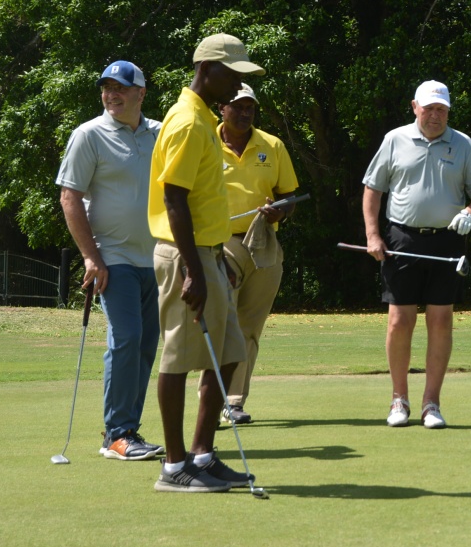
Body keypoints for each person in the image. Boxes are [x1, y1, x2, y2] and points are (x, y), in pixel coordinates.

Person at [147, 34, 264, 493]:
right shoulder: (187, 122)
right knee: (178, 358)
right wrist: (195, 270)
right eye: (232, 73)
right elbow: (173, 197)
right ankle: (174, 468)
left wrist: (213, 260)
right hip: (183, 255)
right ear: (208, 69)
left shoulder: (198, 117)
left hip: (207, 253)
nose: (237, 84)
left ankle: (203, 455)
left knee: (229, 353)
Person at [361, 80, 471, 429]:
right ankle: (398, 400)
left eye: (442, 110)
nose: (435, 115)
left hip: (447, 241)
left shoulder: (462, 144)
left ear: (448, 111)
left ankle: (431, 403)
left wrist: (469, 213)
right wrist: (373, 234)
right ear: (414, 107)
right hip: (402, 238)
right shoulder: (395, 139)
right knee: (399, 320)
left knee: (441, 319)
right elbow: (373, 188)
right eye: (429, 108)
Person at [55, 60, 164, 462]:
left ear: (140, 93)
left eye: (120, 87)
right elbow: (70, 197)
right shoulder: (89, 135)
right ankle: (117, 434)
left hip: (157, 259)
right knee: (127, 338)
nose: (111, 94)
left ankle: (128, 430)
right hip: (112, 258)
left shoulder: (160, 133)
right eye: (106, 87)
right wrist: (90, 256)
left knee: (146, 345)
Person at [217, 83, 300, 425]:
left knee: (249, 326)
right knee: (223, 320)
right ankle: (214, 397)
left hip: (263, 242)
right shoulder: (204, 141)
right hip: (219, 241)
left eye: (250, 106)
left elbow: (290, 196)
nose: (245, 112)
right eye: (238, 106)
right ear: (222, 107)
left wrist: (279, 212)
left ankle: (234, 401)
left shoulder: (272, 145)